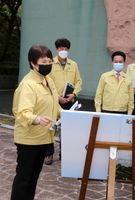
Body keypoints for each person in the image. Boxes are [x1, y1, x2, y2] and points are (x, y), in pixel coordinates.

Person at [11, 45, 61, 200]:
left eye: (49, 61)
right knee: (24, 178)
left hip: (43, 136)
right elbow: (22, 112)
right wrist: (37, 119)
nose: (47, 64)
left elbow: (53, 102)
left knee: (33, 177)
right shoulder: (28, 84)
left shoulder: (48, 80)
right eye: (43, 61)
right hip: (29, 138)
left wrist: (64, 112)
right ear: (33, 63)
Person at [45, 38, 82, 165]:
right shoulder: (50, 64)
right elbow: (47, 83)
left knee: (67, 129)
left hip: (69, 101)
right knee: (51, 126)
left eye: (66, 49)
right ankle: (49, 154)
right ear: (56, 49)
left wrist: (74, 94)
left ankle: (64, 154)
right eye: (61, 48)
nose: (63, 51)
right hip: (54, 101)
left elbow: (78, 82)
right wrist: (57, 97)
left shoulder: (73, 64)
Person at [94, 51, 134, 115]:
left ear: (124, 62)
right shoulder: (104, 76)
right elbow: (99, 94)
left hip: (122, 111)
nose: (118, 63)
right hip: (107, 110)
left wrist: (129, 113)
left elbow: (131, 98)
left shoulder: (128, 78)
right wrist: (98, 110)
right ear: (112, 62)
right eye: (115, 62)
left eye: (120, 62)